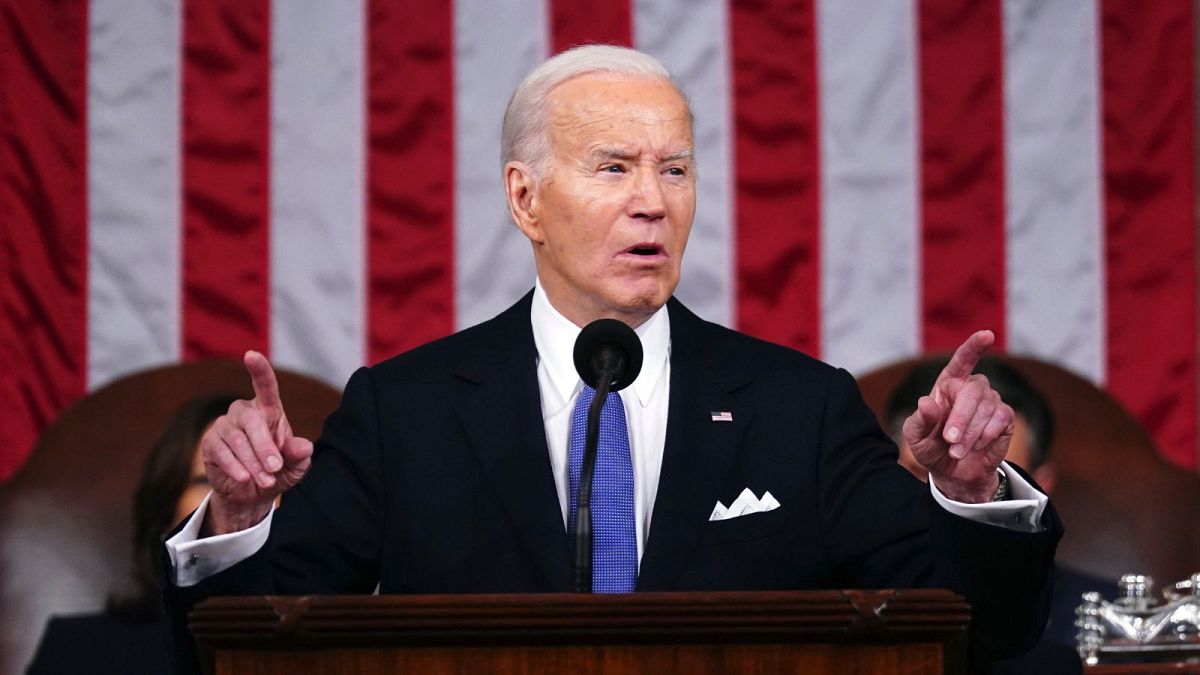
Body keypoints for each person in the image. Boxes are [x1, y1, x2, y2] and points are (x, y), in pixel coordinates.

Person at [162, 45, 1061, 670]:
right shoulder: (405, 410)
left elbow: (978, 633)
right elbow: (248, 647)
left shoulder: (799, 405)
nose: (652, 202)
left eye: (675, 170)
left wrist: (972, 497)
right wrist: (238, 516)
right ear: (525, 198)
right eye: (612, 167)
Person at [887, 357, 1115, 673]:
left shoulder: (1110, 620)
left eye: (985, 478)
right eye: (926, 472)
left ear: (1039, 487)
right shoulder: (836, 604)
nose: (948, 498)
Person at [27, 394, 235, 674]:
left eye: (259, 476)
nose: (240, 494)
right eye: (208, 479)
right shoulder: (77, 650)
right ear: (165, 513)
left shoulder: (313, 647)